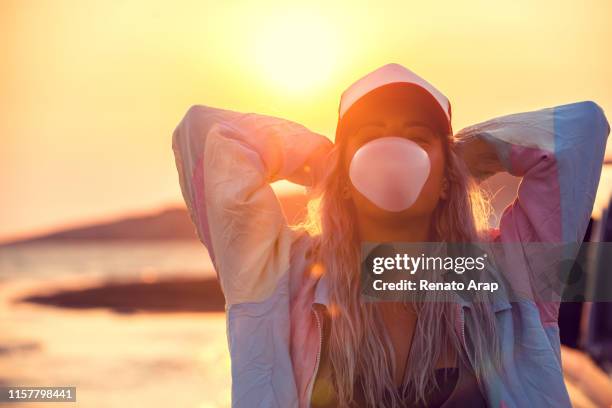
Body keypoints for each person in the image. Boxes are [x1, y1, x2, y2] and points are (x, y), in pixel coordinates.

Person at [172, 63, 610, 407]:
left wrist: (471, 154)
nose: (392, 153)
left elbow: (581, 130)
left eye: (417, 139)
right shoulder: (286, 276)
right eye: (370, 139)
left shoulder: (507, 271)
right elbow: (205, 134)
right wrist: (320, 160)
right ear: (344, 173)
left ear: (446, 176)